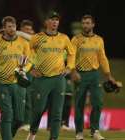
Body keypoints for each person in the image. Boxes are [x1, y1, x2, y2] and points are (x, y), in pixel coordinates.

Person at [26, 11, 76, 140]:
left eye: (57, 20)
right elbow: (25, 51)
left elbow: (71, 53)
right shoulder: (37, 38)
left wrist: (69, 67)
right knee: (38, 110)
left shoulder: (64, 38)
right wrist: (30, 68)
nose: (55, 22)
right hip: (41, 79)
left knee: (57, 112)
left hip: (59, 79)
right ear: (46, 22)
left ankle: (54, 137)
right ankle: (32, 132)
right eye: (52, 20)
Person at [0, 16, 31, 140]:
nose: (12, 29)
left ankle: (8, 134)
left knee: (19, 118)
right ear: (3, 28)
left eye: (13, 26)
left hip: (19, 84)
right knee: (7, 114)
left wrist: (23, 70)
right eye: (9, 27)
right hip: (2, 83)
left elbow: (29, 61)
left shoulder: (23, 43)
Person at [72, 14, 117, 140]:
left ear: (93, 25)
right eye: (84, 23)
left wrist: (108, 75)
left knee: (97, 102)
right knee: (79, 104)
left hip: (95, 74)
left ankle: (95, 131)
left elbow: (103, 58)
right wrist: (73, 71)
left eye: (88, 23)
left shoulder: (99, 40)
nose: (85, 25)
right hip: (80, 74)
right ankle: (79, 132)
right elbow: (71, 57)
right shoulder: (76, 39)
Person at [18, 19, 35, 131]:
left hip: (29, 70)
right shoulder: (16, 39)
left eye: (30, 29)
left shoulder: (33, 39)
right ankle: (18, 121)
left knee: (28, 97)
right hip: (16, 69)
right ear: (21, 29)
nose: (29, 31)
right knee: (18, 97)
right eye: (26, 29)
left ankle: (27, 122)